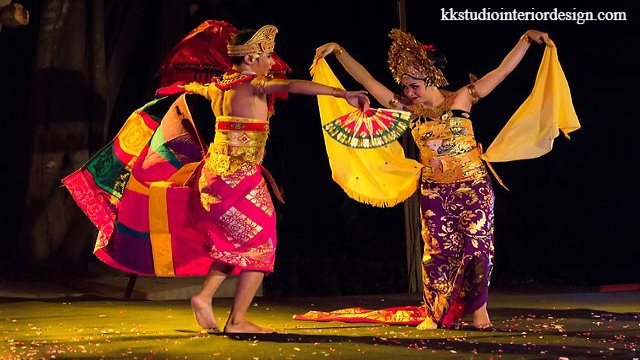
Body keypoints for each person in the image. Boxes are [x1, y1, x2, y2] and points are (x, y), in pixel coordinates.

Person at [63, 24, 369, 335]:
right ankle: (237, 320)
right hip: (240, 178)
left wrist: (179, 89)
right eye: (265, 55)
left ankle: (204, 296)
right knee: (263, 245)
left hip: (213, 177)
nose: (270, 62)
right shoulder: (254, 85)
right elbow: (295, 85)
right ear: (249, 59)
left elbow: (191, 89)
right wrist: (342, 93)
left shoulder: (218, 86)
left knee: (236, 243)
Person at [311, 29, 555, 330]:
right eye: (405, 87)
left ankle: (480, 310)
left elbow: (502, 71)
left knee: (477, 248)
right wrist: (339, 51)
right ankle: (435, 311)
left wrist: (525, 40)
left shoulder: (463, 97)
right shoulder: (408, 110)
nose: (410, 92)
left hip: (473, 185)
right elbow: (367, 81)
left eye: (414, 86)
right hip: (435, 190)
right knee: (438, 252)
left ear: (432, 78)